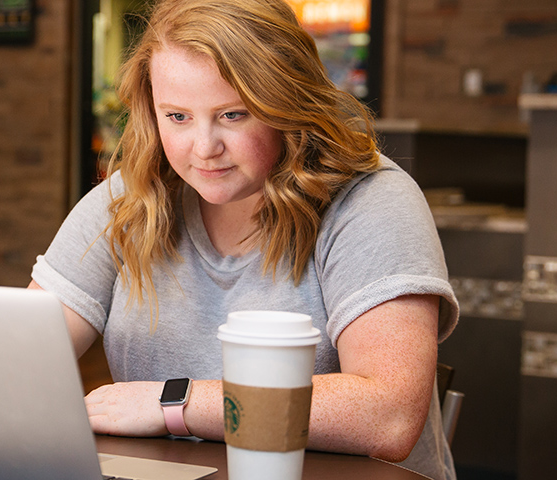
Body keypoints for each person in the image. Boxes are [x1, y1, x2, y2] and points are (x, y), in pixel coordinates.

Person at [28, 1, 459, 479]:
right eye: (177, 117)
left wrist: (175, 401)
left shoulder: (371, 202)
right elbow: (19, 357)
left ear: (287, 105)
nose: (204, 147)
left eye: (232, 115)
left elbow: (388, 414)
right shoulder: (131, 199)